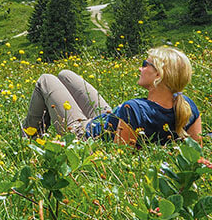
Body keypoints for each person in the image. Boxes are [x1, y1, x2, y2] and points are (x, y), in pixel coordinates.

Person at [21, 46, 203, 146]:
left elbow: (116, 154)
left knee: (45, 80)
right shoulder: (187, 106)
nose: (140, 68)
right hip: (110, 119)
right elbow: (196, 153)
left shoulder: (134, 110)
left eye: (145, 64)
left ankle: (27, 140)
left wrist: (64, 146)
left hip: (84, 133)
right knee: (65, 75)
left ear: (158, 76)